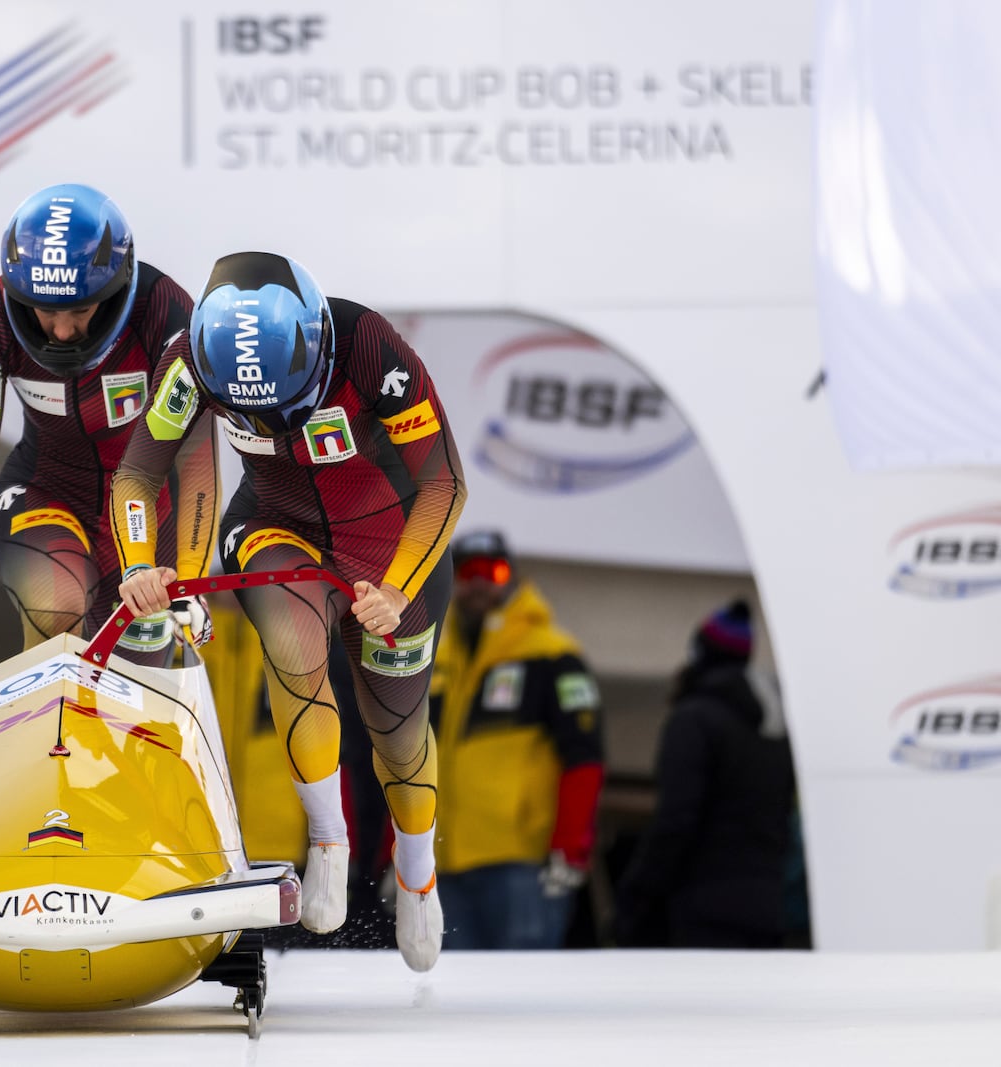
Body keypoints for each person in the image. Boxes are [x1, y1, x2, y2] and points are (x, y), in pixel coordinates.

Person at [112, 252, 467, 971]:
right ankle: (327, 836)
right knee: (291, 640)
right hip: (278, 525)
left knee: (397, 735)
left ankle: (417, 873)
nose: (266, 419)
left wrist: (397, 587)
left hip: (393, 543)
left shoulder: (369, 345)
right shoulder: (190, 361)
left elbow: (445, 483)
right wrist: (139, 565)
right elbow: (137, 474)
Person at [0, 182, 218, 664]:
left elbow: (197, 461)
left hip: (147, 504)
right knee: (57, 608)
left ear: (114, 293)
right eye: (45, 312)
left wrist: (190, 577)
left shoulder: (167, 313)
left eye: (81, 311)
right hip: (45, 488)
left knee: (141, 660)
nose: (63, 331)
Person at [430, 530, 605, 950]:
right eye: (466, 571)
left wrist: (571, 846)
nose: (478, 582)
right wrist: (397, 850)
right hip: (441, 864)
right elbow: (404, 761)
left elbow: (584, 757)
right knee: (453, 1000)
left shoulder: (551, 654)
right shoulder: (434, 655)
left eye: (493, 570)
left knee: (521, 996)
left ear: (512, 577)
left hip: (521, 863)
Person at [613, 600, 797, 949]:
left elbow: (676, 819)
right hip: (766, 906)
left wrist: (637, 894)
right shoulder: (773, 729)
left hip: (706, 906)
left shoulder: (694, 720)